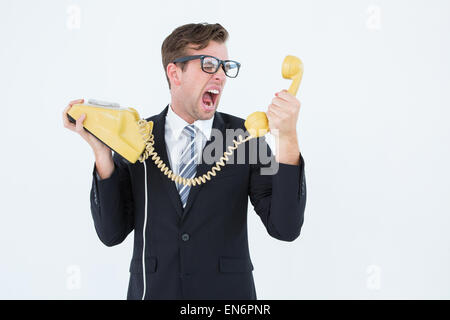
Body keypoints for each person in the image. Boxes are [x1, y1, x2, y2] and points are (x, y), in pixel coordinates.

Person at [62, 22, 307, 300]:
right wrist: (102, 154)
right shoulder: (138, 135)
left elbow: (285, 228)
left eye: (225, 67)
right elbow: (111, 233)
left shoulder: (245, 137)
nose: (221, 76)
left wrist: (287, 138)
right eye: (209, 64)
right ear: (174, 72)